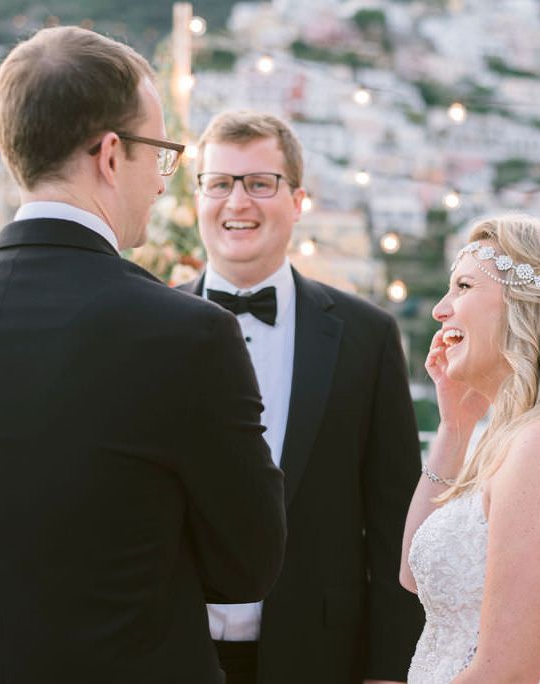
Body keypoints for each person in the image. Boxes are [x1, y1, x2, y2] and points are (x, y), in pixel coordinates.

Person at [0, 27, 286, 684]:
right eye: (162, 155)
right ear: (111, 156)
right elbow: (245, 566)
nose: (164, 183)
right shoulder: (187, 333)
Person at [179, 110, 424, 683]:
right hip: (172, 650)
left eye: (260, 183)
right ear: (197, 198)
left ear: (298, 200)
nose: (237, 202)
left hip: (319, 654)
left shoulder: (368, 336)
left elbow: (395, 525)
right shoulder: (144, 330)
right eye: (219, 183)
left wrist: (389, 670)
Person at [400, 213, 540, 683]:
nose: (441, 310)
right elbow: (412, 575)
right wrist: (454, 429)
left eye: (463, 287)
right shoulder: (515, 436)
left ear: (526, 306)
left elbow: (505, 674)